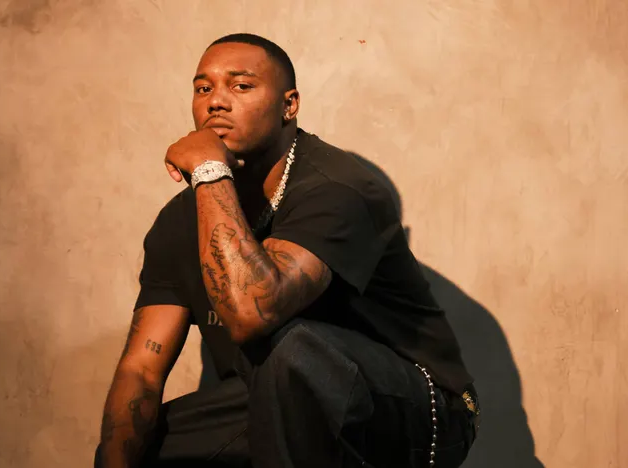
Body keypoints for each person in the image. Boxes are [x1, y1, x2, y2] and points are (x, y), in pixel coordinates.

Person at [96, 33, 480, 468]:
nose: (215, 102)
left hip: (419, 412)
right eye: (203, 88)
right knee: (137, 445)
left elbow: (252, 312)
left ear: (289, 105)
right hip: (277, 398)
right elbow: (141, 371)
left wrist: (209, 171)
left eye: (241, 85)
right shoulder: (180, 221)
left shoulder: (337, 188)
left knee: (291, 348)